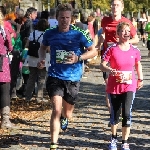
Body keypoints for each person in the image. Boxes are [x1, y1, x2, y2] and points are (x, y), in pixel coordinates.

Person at [38, 3, 97, 149]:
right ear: (56, 18)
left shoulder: (79, 33)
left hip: (73, 77)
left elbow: (93, 51)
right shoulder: (49, 33)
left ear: (71, 19)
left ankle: (65, 117)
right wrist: (42, 58)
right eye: (62, 17)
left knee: (67, 113)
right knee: (56, 110)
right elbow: (42, 48)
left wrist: (78, 58)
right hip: (55, 76)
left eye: (67, 17)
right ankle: (53, 144)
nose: (64, 20)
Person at [100, 22, 143, 150]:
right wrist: (109, 70)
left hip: (129, 86)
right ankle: (113, 138)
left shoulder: (135, 50)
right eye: (123, 31)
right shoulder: (112, 49)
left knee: (127, 113)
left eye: (128, 31)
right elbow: (102, 64)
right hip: (114, 86)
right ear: (118, 34)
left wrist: (140, 78)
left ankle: (125, 141)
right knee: (115, 113)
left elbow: (138, 65)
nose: (126, 33)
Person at [96, 0, 139, 126]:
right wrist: (99, 43)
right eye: (113, 5)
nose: (115, 7)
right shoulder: (105, 20)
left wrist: (124, 42)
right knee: (108, 87)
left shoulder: (126, 22)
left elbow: (136, 38)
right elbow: (102, 35)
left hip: (122, 58)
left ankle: (119, 111)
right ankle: (113, 116)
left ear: (122, 7)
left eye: (117, 5)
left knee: (122, 85)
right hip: (108, 58)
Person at [25, 19, 49, 103]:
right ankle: (39, 97)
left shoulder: (33, 33)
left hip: (31, 58)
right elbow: (48, 49)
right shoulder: (46, 35)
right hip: (41, 58)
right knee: (41, 78)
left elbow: (27, 45)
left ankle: (28, 96)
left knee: (31, 77)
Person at [0, 9, 13, 129]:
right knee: (4, 91)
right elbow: (10, 46)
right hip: (1, 63)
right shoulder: (3, 30)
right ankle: (5, 120)